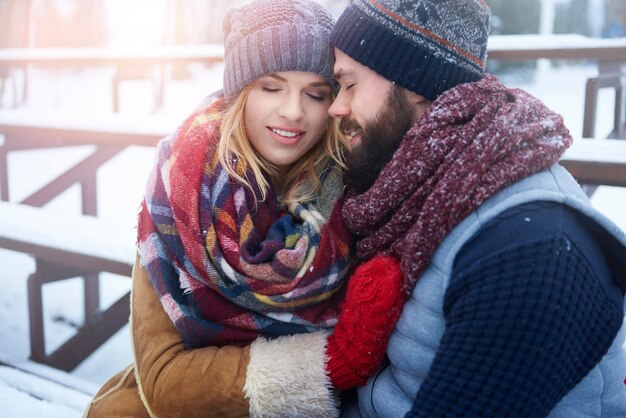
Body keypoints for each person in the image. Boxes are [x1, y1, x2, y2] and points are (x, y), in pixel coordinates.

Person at [83, 1, 403, 417]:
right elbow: (163, 378)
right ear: (241, 93)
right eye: (271, 87)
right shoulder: (181, 192)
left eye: (315, 93)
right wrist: (327, 361)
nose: (293, 110)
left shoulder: (356, 196)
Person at [325, 0, 626, 417]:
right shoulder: (414, 190)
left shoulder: (528, 251)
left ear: (414, 81)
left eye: (350, 84)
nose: (336, 107)